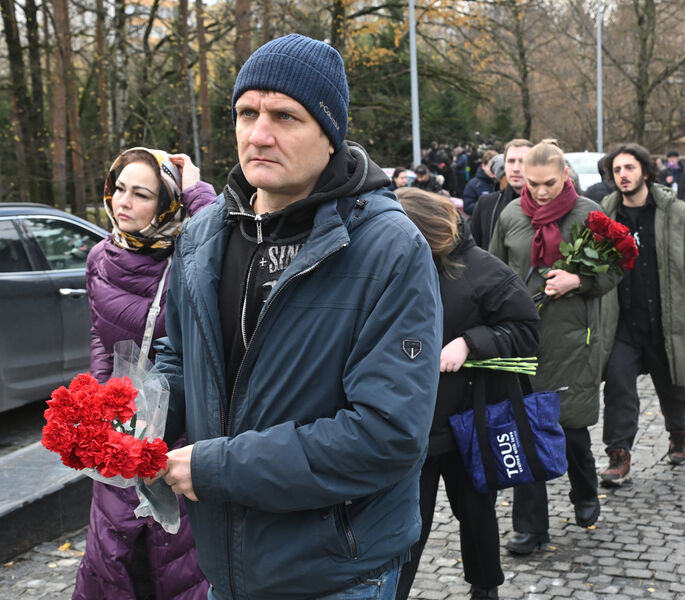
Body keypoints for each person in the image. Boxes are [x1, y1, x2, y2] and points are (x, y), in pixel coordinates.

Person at [150, 34, 442, 599]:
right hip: (226, 570)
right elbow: (180, 361)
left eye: (286, 116)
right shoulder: (203, 236)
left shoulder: (388, 248)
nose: (259, 134)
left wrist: (218, 470)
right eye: (246, 112)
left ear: (330, 137)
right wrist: (135, 416)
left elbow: (387, 435)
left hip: (334, 573)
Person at [75, 148, 215, 600]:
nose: (123, 202)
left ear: (167, 204)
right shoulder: (101, 256)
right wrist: (99, 407)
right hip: (121, 430)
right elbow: (101, 335)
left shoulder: (189, 255)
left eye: (141, 194)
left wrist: (196, 192)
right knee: (112, 556)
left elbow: (229, 244)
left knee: (174, 562)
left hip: (180, 430)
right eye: (118, 189)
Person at [394, 189, 540, 600]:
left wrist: (469, 343)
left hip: (468, 420)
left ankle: (485, 586)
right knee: (406, 520)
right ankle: (393, 590)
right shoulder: (397, 267)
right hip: (412, 423)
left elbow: (526, 329)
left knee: (476, 513)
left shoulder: (483, 270)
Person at [489, 140, 621, 555]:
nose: (541, 191)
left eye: (548, 183)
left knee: (571, 430)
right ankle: (530, 528)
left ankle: (585, 491)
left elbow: (615, 269)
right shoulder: (511, 215)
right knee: (523, 429)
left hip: (571, 337)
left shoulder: (587, 214)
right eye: (532, 183)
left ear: (565, 175)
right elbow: (493, 270)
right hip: (523, 339)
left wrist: (578, 281)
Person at [597, 143, 685, 486]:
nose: (623, 175)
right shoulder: (604, 216)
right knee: (618, 385)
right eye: (617, 170)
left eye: (629, 168)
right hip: (621, 321)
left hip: (666, 318)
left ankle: (679, 434)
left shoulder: (679, 214)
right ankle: (619, 454)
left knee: (672, 383)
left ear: (645, 171)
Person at [469, 138, 533, 250]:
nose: (516, 168)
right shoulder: (486, 204)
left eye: (523, 161)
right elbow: (473, 251)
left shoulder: (547, 205)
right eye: (511, 161)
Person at [462, 150, 497, 215]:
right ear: (483, 166)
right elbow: (467, 208)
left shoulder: (504, 182)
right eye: (490, 166)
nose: (493, 169)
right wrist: (486, 203)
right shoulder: (473, 184)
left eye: (495, 166)